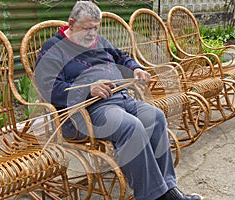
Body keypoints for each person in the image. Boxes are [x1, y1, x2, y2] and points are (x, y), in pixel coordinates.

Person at [35, 1, 203, 200]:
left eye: (95, 28)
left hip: (120, 98)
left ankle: (168, 188)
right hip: (85, 113)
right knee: (132, 126)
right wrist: (88, 89)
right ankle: (154, 196)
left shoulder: (98, 40)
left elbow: (122, 57)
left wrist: (136, 68)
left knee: (156, 117)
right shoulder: (53, 48)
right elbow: (48, 88)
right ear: (71, 23)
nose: (91, 34)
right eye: (87, 28)